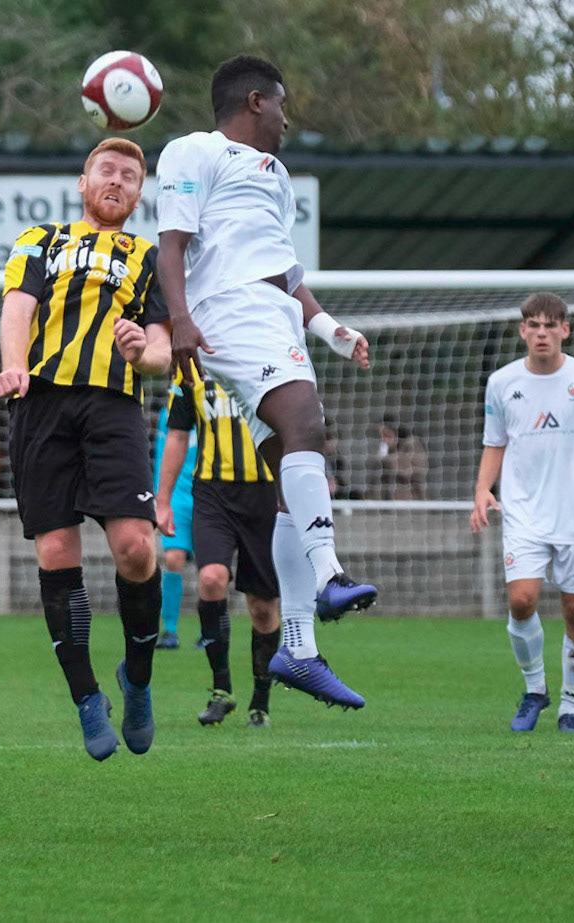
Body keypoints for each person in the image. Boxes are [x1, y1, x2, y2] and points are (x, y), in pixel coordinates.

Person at [156, 54, 376, 710]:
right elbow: (171, 245)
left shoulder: (277, 176)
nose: (287, 119)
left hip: (274, 315)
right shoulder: (195, 150)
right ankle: (331, 574)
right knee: (308, 424)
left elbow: (287, 274)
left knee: (289, 476)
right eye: (282, 105)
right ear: (255, 101)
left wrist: (333, 329)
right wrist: (181, 321)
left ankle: (299, 649)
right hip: (230, 310)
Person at [0, 137, 172, 763]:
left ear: (139, 193)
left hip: (113, 407)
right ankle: (86, 699)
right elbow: (18, 307)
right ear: (83, 182)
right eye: (106, 170)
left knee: (135, 548)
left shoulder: (150, 259)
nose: (117, 180)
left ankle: (139, 678)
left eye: (129, 174)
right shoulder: (39, 240)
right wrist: (15, 368)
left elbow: (161, 351)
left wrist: (140, 351)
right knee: (57, 553)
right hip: (41, 406)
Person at [470, 292, 574, 733]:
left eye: (550, 325)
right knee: (521, 600)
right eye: (533, 325)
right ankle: (536, 688)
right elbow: (494, 443)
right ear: (522, 331)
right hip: (523, 515)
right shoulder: (502, 383)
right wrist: (483, 489)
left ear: (565, 330)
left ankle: (570, 707)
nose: (541, 333)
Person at [158, 371, 282, 728]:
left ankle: (260, 700)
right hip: (212, 492)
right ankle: (221, 690)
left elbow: (297, 425)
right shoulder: (190, 366)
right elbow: (178, 434)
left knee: (262, 607)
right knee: (211, 579)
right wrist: (163, 499)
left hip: (267, 493)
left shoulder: (265, 354)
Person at [151, 383, 199, 649]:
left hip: (207, 490)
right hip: (178, 495)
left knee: (211, 568)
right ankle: (169, 630)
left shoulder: (214, 409)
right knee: (173, 558)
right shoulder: (169, 412)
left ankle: (209, 631)